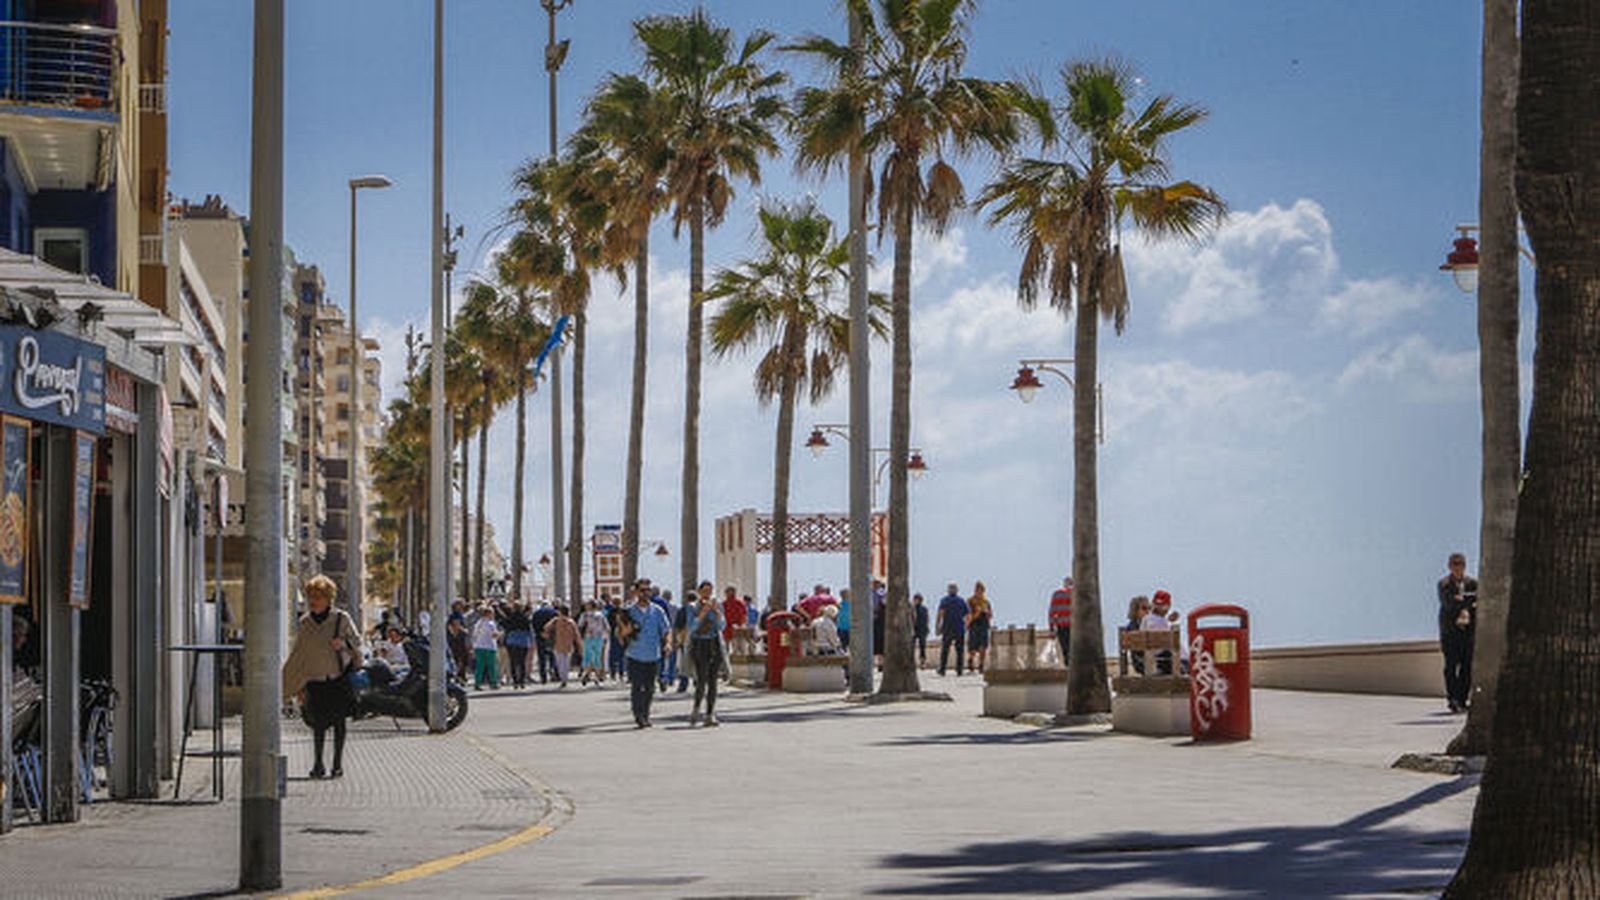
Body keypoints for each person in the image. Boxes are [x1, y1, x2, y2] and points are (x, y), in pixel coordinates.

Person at [282, 575, 360, 779]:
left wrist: (343, 644)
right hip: (314, 681)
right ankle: (318, 764)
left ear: (328, 598)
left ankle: (337, 765)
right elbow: (299, 654)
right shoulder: (305, 622)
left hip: (337, 679)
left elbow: (357, 644)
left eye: (319, 596)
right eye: (311, 597)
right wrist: (297, 686)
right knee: (317, 724)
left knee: (339, 723)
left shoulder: (341, 619)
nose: (314, 601)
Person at [625, 586, 672, 728]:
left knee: (650, 687)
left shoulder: (657, 611)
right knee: (637, 686)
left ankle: (645, 714)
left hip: (653, 655)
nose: (645, 593)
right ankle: (638, 714)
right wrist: (625, 631)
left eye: (647, 590)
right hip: (634, 654)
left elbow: (666, 630)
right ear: (636, 592)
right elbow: (620, 633)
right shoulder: (629, 612)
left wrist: (668, 643)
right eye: (642, 590)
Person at [1438, 553, 1477, 714]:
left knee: (1467, 666)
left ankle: (1462, 699)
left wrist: (1462, 599)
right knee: (1451, 666)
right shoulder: (1444, 584)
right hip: (1450, 632)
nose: (1457, 567)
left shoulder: (1473, 583)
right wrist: (1468, 601)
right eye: (1454, 564)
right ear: (1449, 566)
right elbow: (1449, 604)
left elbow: (1479, 599)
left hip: (1468, 632)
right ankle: (1452, 699)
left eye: (1460, 564)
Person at [685, 581, 726, 726]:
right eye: (705, 590)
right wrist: (702, 613)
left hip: (714, 644)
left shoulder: (717, 605)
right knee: (701, 679)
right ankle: (696, 709)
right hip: (699, 645)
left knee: (713, 681)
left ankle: (710, 714)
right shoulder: (692, 607)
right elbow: (691, 627)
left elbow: (722, 626)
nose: (707, 593)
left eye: (710, 590)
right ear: (699, 591)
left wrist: (716, 612)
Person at [543, 604, 581, 688]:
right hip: (568, 644)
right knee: (566, 663)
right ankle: (565, 678)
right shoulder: (571, 622)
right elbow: (576, 634)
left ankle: (563, 678)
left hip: (558, 644)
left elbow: (546, 627)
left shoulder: (556, 621)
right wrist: (579, 645)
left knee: (560, 662)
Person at [936, 583, 969, 676]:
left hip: (947, 628)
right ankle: (959, 670)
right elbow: (968, 616)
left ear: (948, 590)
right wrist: (966, 627)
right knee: (959, 651)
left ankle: (942, 669)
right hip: (959, 628)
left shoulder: (944, 600)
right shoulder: (962, 601)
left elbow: (940, 614)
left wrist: (938, 626)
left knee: (945, 650)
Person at [502, 601, 533, 689]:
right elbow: (528, 630)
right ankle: (522, 681)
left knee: (513, 661)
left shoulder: (510, 617)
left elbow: (505, 626)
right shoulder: (525, 618)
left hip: (511, 641)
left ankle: (515, 681)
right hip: (523, 641)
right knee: (522, 662)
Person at [471, 605, 501, 690]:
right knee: (491, 666)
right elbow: (494, 635)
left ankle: (477, 683)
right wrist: (500, 634)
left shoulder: (478, 623)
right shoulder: (491, 623)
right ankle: (493, 682)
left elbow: (474, 634)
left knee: (479, 666)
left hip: (479, 646)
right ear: (489, 614)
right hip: (489, 646)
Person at [579, 600, 609, 686]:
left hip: (588, 637)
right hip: (599, 637)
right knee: (597, 656)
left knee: (588, 655)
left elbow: (580, 625)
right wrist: (605, 637)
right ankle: (597, 676)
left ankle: (587, 673)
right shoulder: (601, 615)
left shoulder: (584, 615)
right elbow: (606, 627)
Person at [966, 581, 993, 674]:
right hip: (974, 626)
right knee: (972, 648)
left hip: (984, 626)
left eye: (981, 590)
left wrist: (987, 612)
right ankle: (970, 660)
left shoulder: (986, 602)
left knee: (983, 647)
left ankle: (981, 665)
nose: (979, 592)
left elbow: (990, 615)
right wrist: (977, 613)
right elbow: (968, 616)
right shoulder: (970, 601)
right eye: (978, 589)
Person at [530, 600, 557, 685]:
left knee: (542, 658)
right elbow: (556, 624)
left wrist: (540, 632)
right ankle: (553, 671)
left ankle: (543, 677)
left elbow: (533, 625)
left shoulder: (536, 613)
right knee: (553, 655)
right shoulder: (554, 612)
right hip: (552, 637)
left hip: (540, 636)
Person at [1048, 577, 1074, 670]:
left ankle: (1068, 666)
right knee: (1074, 647)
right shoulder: (1076, 595)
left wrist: (1051, 628)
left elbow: (1052, 612)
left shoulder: (1057, 594)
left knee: (1065, 647)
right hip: (1074, 626)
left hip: (1062, 625)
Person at [1123, 596, 1152, 674]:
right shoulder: (1132, 627)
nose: (1148, 611)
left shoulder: (1150, 624)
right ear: (1135, 610)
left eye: (1149, 608)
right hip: (1142, 663)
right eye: (1144, 608)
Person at [912, 594, 930, 667]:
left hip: (922, 629)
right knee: (911, 646)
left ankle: (922, 662)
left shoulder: (924, 609)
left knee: (922, 646)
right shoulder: (911, 608)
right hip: (914, 629)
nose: (916, 601)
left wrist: (927, 628)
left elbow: (927, 619)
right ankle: (912, 661)